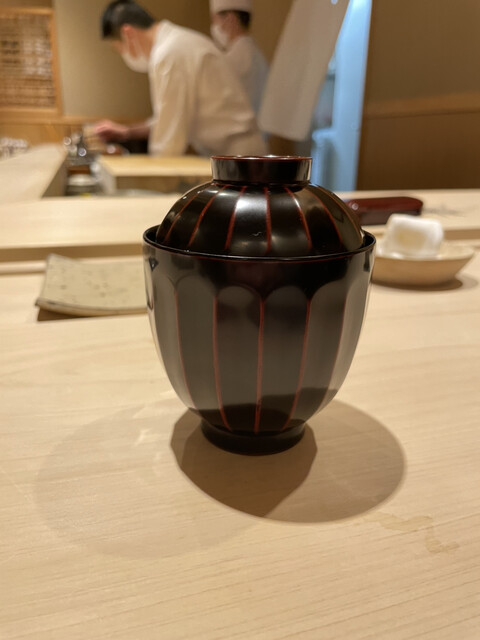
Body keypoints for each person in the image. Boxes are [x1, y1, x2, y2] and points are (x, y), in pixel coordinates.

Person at [95, 0, 266, 157]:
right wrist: (127, 131)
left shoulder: (170, 53)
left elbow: (168, 141)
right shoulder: (175, 44)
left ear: (128, 33)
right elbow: (167, 119)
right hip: (233, 153)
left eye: (118, 48)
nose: (122, 53)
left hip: (238, 157)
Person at [210, 0, 268, 115]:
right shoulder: (258, 56)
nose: (214, 26)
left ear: (231, 18)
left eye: (215, 20)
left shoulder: (230, 60)